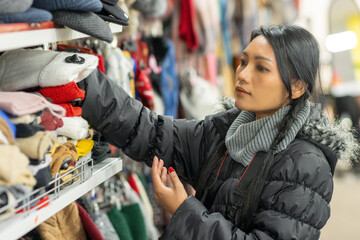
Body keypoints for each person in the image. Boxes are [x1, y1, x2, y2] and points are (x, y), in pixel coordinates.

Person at [80, 25, 359, 239]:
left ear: (296, 86)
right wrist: (80, 80)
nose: (243, 74)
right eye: (243, 61)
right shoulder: (224, 131)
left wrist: (184, 211)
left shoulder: (306, 165)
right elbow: (150, 131)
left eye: (261, 68)